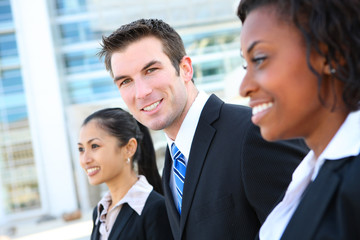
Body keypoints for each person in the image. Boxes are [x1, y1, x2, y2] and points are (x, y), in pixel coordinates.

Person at [97, 19, 308, 239]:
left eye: (151, 70)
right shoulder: (172, 164)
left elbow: (306, 230)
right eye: (125, 82)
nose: (141, 92)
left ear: (185, 69)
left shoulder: (253, 133)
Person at [238, 0, 360, 239]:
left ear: (330, 55)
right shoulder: (310, 172)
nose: (244, 87)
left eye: (260, 58)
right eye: (245, 65)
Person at [78, 108, 173, 240]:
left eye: (94, 146)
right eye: (81, 149)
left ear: (129, 148)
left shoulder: (156, 210)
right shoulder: (100, 212)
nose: (85, 159)